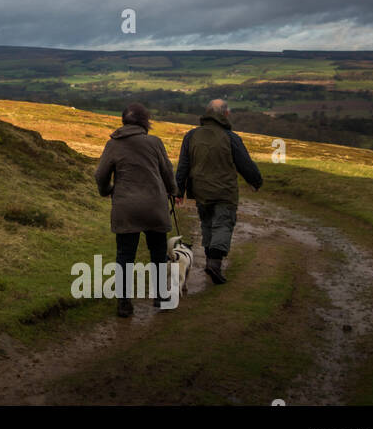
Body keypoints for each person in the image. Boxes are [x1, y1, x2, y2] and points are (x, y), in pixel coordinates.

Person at [94, 102, 177, 317]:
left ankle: (124, 303)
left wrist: (107, 190)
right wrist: (173, 191)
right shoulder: (155, 142)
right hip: (154, 206)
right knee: (158, 252)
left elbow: (100, 175)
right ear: (145, 122)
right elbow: (167, 172)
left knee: (125, 255)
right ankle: (160, 296)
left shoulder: (113, 144)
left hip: (126, 207)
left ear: (124, 121)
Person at [175, 99, 263, 284]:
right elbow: (245, 164)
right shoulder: (230, 137)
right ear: (225, 114)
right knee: (223, 224)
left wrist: (178, 190)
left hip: (200, 191)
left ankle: (211, 261)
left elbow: (183, 165)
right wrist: (256, 181)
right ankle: (214, 263)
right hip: (224, 191)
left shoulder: (191, 136)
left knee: (207, 224)